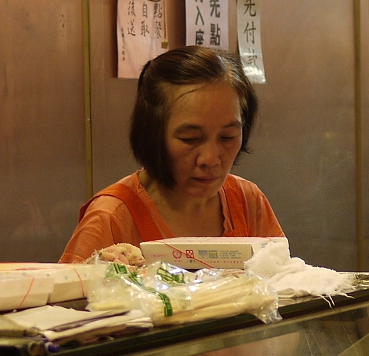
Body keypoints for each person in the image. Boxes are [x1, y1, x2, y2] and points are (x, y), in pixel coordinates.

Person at [60, 47, 285, 264]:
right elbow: (70, 287)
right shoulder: (111, 217)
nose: (210, 159)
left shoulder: (247, 201)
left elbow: (284, 280)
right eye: (190, 139)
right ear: (152, 135)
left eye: (227, 137)